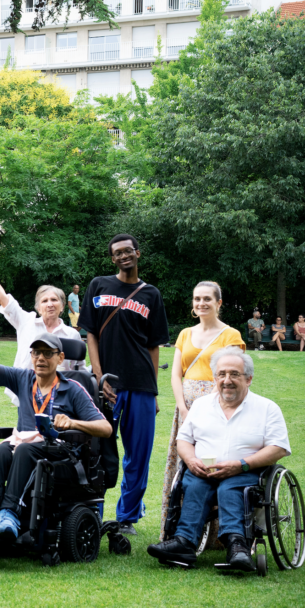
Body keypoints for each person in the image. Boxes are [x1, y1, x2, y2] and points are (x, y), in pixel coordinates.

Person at [0, 315, 111, 542]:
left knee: (23, 450)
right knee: (2, 450)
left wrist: (72, 423)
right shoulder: (23, 378)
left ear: (60, 358)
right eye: (36, 353)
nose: (41, 358)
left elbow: (105, 428)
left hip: (62, 454)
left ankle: (9, 512)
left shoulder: (74, 389)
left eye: (48, 353)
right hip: (25, 445)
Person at [147, 347, 291, 571]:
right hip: (204, 470)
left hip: (247, 472)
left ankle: (237, 545)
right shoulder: (202, 406)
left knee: (229, 488)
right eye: (221, 374)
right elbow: (183, 440)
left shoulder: (267, 408)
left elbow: (279, 448)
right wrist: (192, 461)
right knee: (195, 485)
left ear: (249, 379)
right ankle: (184, 542)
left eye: (235, 374)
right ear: (214, 377)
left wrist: (242, 464)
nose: (227, 380)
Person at [78, 234, 169, 536]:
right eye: (117, 253)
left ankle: (126, 517)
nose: (123, 256)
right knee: (98, 452)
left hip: (141, 384)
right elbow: (90, 332)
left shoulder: (151, 294)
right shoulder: (99, 285)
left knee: (138, 455)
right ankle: (93, 512)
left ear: (137, 254)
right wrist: (98, 375)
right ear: (112, 258)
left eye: (128, 251)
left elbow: (154, 346)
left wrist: (154, 390)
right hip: (105, 385)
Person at [159, 282, 245, 541]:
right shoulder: (185, 333)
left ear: (219, 303)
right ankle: (180, 529)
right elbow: (176, 375)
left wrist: (214, 408)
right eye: (197, 299)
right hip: (187, 409)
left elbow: (233, 374)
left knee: (213, 462)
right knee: (188, 464)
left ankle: (220, 532)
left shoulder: (231, 335)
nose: (201, 303)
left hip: (219, 407)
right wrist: (184, 409)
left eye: (207, 298)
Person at [0, 249, 85, 406]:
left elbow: (80, 371)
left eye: (54, 300)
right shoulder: (26, 321)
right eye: (44, 301)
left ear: (62, 307)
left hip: (61, 398)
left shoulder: (72, 334)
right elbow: (1, 297)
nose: (50, 304)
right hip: (27, 393)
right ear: (38, 308)